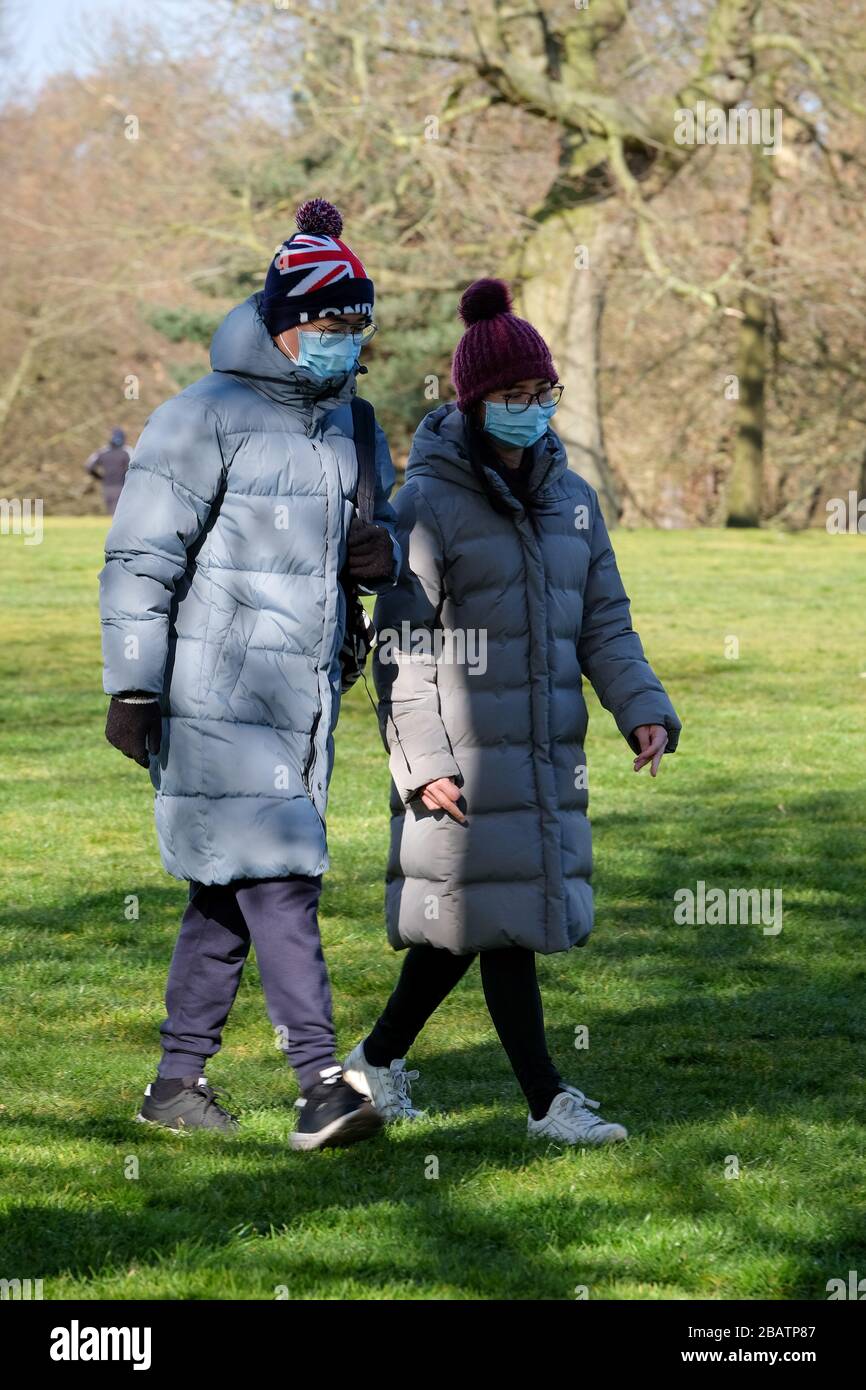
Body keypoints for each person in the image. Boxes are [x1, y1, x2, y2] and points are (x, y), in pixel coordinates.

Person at [343, 278, 682, 1145]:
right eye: (514, 397)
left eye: (544, 395)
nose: (533, 411)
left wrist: (640, 707)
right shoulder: (427, 502)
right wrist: (423, 764)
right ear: (474, 402)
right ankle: (546, 1103)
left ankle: (373, 1066)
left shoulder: (573, 500)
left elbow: (604, 619)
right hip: (460, 752)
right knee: (498, 928)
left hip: (541, 749)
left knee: (473, 925)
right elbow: (400, 646)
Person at [99, 199, 399, 1150]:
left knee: (227, 891)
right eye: (331, 325)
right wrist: (134, 687)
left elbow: (369, 539)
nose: (346, 344)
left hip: (304, 696)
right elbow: (142, 558)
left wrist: (371, 555)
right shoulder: (200, 417)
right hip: (212, 691)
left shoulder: (354, 423)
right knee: (282, 877)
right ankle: (321, 1085)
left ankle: (175, 1085)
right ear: (283, 322)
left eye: (359, 328)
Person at [85, 428, 130, 515]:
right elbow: (136, 468)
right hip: (123, 486)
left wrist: (100, 477)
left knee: (112, 514)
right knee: (122, 514)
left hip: (107, 487)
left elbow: (88, 466)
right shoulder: (127, 451)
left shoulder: (102, 452)